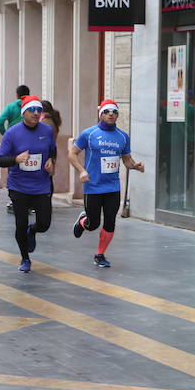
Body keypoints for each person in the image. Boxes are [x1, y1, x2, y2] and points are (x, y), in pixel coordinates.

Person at [69, 99, 144, 268]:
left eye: (114, 112)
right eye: (107, 111)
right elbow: (72, 154)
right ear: (101, 114)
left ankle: (100, 254)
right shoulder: (89, 134)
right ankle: (83, 222)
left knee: (110, 221)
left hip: (112, 187)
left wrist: (135, 166)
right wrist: (81, 170)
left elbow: (127, 160)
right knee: (93, 223)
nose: (111, 114)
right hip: (93, 186)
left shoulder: (123, 137)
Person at [0, 95, 56, 273]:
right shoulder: (12, 133)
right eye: (32, 110)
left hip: (42, 185)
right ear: (23, 113)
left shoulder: (47, 131)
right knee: (20, 224)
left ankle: (33, 230)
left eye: (39, 110)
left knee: (44, 223)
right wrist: (16, 158)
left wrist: (51, 160)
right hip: (18, 186)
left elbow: (53, 149)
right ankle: (25, 258)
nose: (36, 113)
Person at [0, 85, 30, 214]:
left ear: (17, 95)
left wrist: (5, 133)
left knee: (13, 168)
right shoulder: (32, 107)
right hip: (29, 140)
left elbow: (0, 120)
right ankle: (30, 199)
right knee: (30, 168)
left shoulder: (11, 107)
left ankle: (14, 198)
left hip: (14, 143)